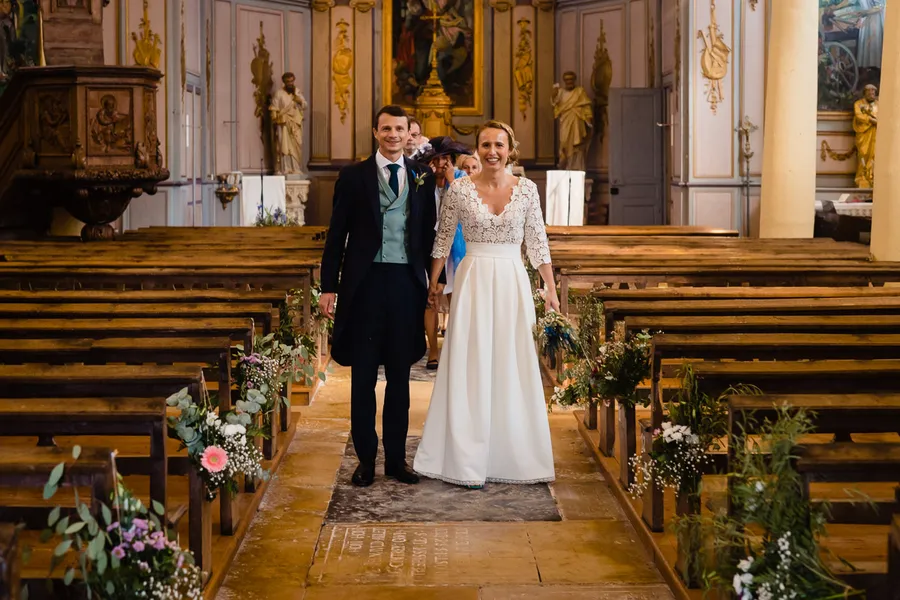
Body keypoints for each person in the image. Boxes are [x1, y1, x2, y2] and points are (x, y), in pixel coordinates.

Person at [413, 120, 558, 488]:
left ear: (511, 149)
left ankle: (514, 454)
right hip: (473, 280)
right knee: (471, 362)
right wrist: (433, 279)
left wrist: (550, 287)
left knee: (513, 361)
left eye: (499, 144)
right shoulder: (459, 191)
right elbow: (442, 237)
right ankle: (466, 456)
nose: (492, 151)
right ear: (476, 150)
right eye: (485, 144)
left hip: (511, 280)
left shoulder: (527, 191)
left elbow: (538, 241)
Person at [319, 105, 438, 487]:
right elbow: (336, 235)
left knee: (401, 379)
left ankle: (398, 460)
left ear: (409, 134)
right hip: (364, 285)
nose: (392, 135)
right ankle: (366, 460)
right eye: (386, 128)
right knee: (364, 378)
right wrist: (328, 286)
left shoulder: (422, 176)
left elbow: (427, 233)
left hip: (405, 283)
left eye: (399, 129)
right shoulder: (353, 177)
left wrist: (432, 283)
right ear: (375, 132)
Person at [418, 136, 471, 369]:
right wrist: (429, 180)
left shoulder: (461, 179)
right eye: (436, 159)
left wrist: (451, 181)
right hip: (430, 246)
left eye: (445, 160)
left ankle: (455, 350)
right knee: (431, 299)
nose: (440, 164)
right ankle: (433, 351)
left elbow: (468, 210)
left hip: (456, 246)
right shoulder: (422, 180)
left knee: (457, 298)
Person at [551, 72, 593, 171]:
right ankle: (566, 166)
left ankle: (577, 168)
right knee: (564, 144)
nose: (569, 82)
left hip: (577, 124)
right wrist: (553, 94)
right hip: (565, 122)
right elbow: (555, 104)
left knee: (577, 146)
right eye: (567, 81)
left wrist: (588, 119)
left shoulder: (579, 92)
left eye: (571, 80)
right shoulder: (561, 92)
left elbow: (586, 107)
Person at [270, 72, 308, 175]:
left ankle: (296, 168)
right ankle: (286, 168)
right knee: (284, 145)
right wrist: (275, 119)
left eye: (292, 81)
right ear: (284, 82)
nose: (290, 84)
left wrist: (298, 100)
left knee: (297, 144)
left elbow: (304, 105)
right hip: (283, 124)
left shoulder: (297, 92)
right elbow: (274, 108)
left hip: (295, 123)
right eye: (288, 82)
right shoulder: (279, 93)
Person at [853, 83, 878, 188]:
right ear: (865, 93)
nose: (871, 93)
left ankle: (873, 178)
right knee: (863, 154)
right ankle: (862, 178)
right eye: (869, 91)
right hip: (863, 134)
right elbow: (859, 116)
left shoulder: (878, 104)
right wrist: (870, 119)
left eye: (873, 92)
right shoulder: (858, 104)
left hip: (876, 133)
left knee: (874, 155)